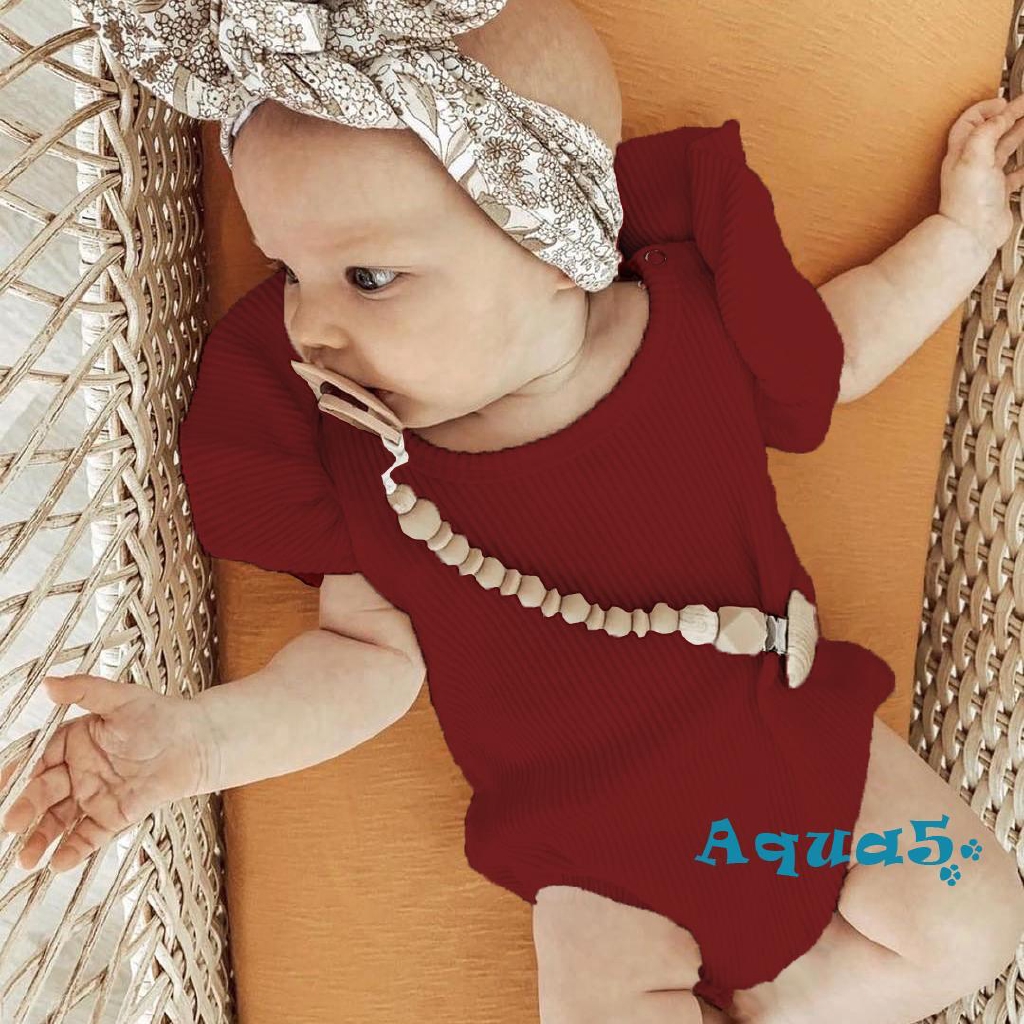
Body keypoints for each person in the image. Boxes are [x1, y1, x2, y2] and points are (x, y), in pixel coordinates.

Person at [4, 1, 1024, 1021]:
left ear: (550, 239)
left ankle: (782, 1005)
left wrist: (959, 234)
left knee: (974, 914)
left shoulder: (693, 324)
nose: (306, 325)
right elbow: (359, 660)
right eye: (287, 274)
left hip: (795, 768)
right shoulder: (372, 465)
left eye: (368, 277)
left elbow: (841, 351)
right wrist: (196, 745)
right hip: (601, 868)